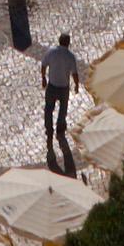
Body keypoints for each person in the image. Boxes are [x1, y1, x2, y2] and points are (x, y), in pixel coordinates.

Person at [39, 30, 82, 159]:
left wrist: (43, 78)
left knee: (48, 109)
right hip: (63, 88)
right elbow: (74, 73)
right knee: (62, 111)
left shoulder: (51, 52)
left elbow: (44, 65)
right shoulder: (70, 56)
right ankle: (60, 129)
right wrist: (76, 85)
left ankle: (49, 128)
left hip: (52, 86)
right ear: (68, 43)